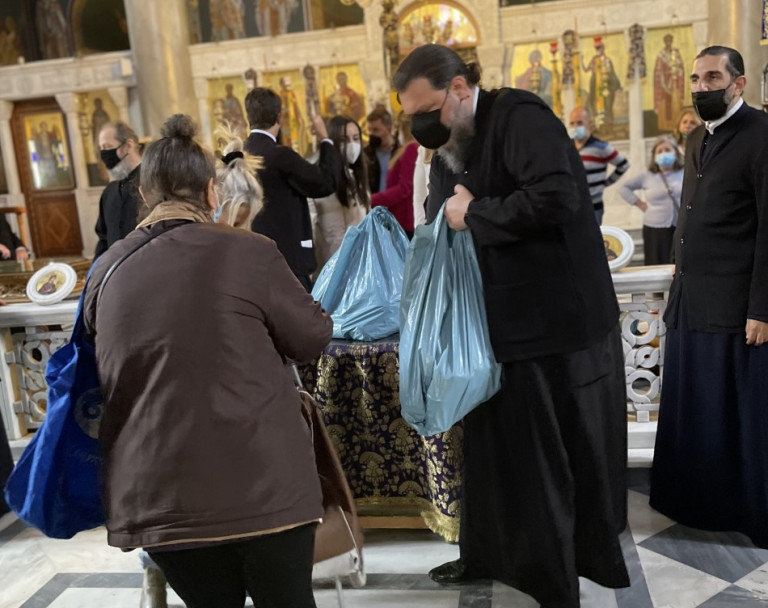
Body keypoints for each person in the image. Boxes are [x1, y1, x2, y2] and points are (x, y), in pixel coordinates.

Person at [394, 44, 629, 608]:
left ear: (457, 88)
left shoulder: (520, 118)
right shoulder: (453, 142)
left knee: (548, 459)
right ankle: (489, 554)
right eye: (411, 116)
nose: (421, 125)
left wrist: (473, 213)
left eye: (427, 111)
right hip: (495, 328)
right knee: (497, 455)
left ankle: (555, 579)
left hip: (556, 327)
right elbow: (439, 212)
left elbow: (556, 197)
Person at [83, 114, 332, 608]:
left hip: (159, 495)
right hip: (265, 486)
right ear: (212, 193)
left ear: (144, 196)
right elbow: (313, 336)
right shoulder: (251, 252)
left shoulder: (104, 272)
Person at [650, 46, 768, 550]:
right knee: (697, 409)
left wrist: (762, 307)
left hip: (738, 307)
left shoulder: (763, 135)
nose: (700, 86)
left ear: (738, 84)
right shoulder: (697, 136)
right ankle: (698, 506)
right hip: (691, 297)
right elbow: (693, 207)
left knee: (741, 415)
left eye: (712, 77)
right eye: (696, 78)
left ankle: (749, 513)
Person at [244, 87, 340, 291]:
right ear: (280, 116)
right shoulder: (280, 156)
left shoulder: (238, 155)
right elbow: (325, 182)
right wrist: (325, 139)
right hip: (288, 261)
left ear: (248, 116)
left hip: (251, 259)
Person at [308, 115, 368, 269]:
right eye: (344, 140)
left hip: (359, 260)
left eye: (356, 138)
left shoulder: (353, 174)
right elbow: (333, 235)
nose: (352, 145)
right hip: (337, 265)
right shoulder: (321, 176)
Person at [617, 134, 683, 265]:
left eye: (668, 150)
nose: (664, 154)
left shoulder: (684, 173)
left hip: (679, 226)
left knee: (678, 263)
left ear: (675, 152)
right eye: (660, 151)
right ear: (654, 156)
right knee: (655, 262)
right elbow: (624, 188)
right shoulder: (647, 176)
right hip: (654, 228)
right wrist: (640, 204)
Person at [569, 106, 630, 225]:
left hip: (593, 207)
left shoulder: (601, 147)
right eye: (572, 123)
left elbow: (623, 165)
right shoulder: (567, 147)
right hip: (571, 207)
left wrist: (605, 183)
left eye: (580, 122)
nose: (575, 126)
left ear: (589, 124)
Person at [94, 121, 143, 258]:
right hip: (116, 273)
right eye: (101, 148)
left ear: (128, 146)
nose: (104, 154)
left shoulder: (154, 184)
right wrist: (96, 271)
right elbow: (103, 238)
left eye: (108, 147)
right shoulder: (109, 193)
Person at [371, 113, 418, 237]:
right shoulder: (407, 149)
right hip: (401, 220)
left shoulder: (411, 148)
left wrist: (373, 199)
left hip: (404, 220)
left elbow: (405, 188)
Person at [653, 34, 686, 132]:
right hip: (663, 84)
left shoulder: (676, 53)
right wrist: (664, 76)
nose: (668, 42)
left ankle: (675, 124)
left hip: (675, 83)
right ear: (664, 42)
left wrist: (677, 72)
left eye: (670, 40)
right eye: (666, 40)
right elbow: (658, 71)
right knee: (665, 104)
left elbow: (681, 67)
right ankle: (665, 125)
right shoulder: (661, 54)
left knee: (675, 103)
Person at [364, 106, 399, 195]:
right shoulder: (366, 154)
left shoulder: (401, 152)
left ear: (389, 129)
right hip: (373, 205)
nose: (371, 134)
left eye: (376, 130)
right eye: (369, 130)